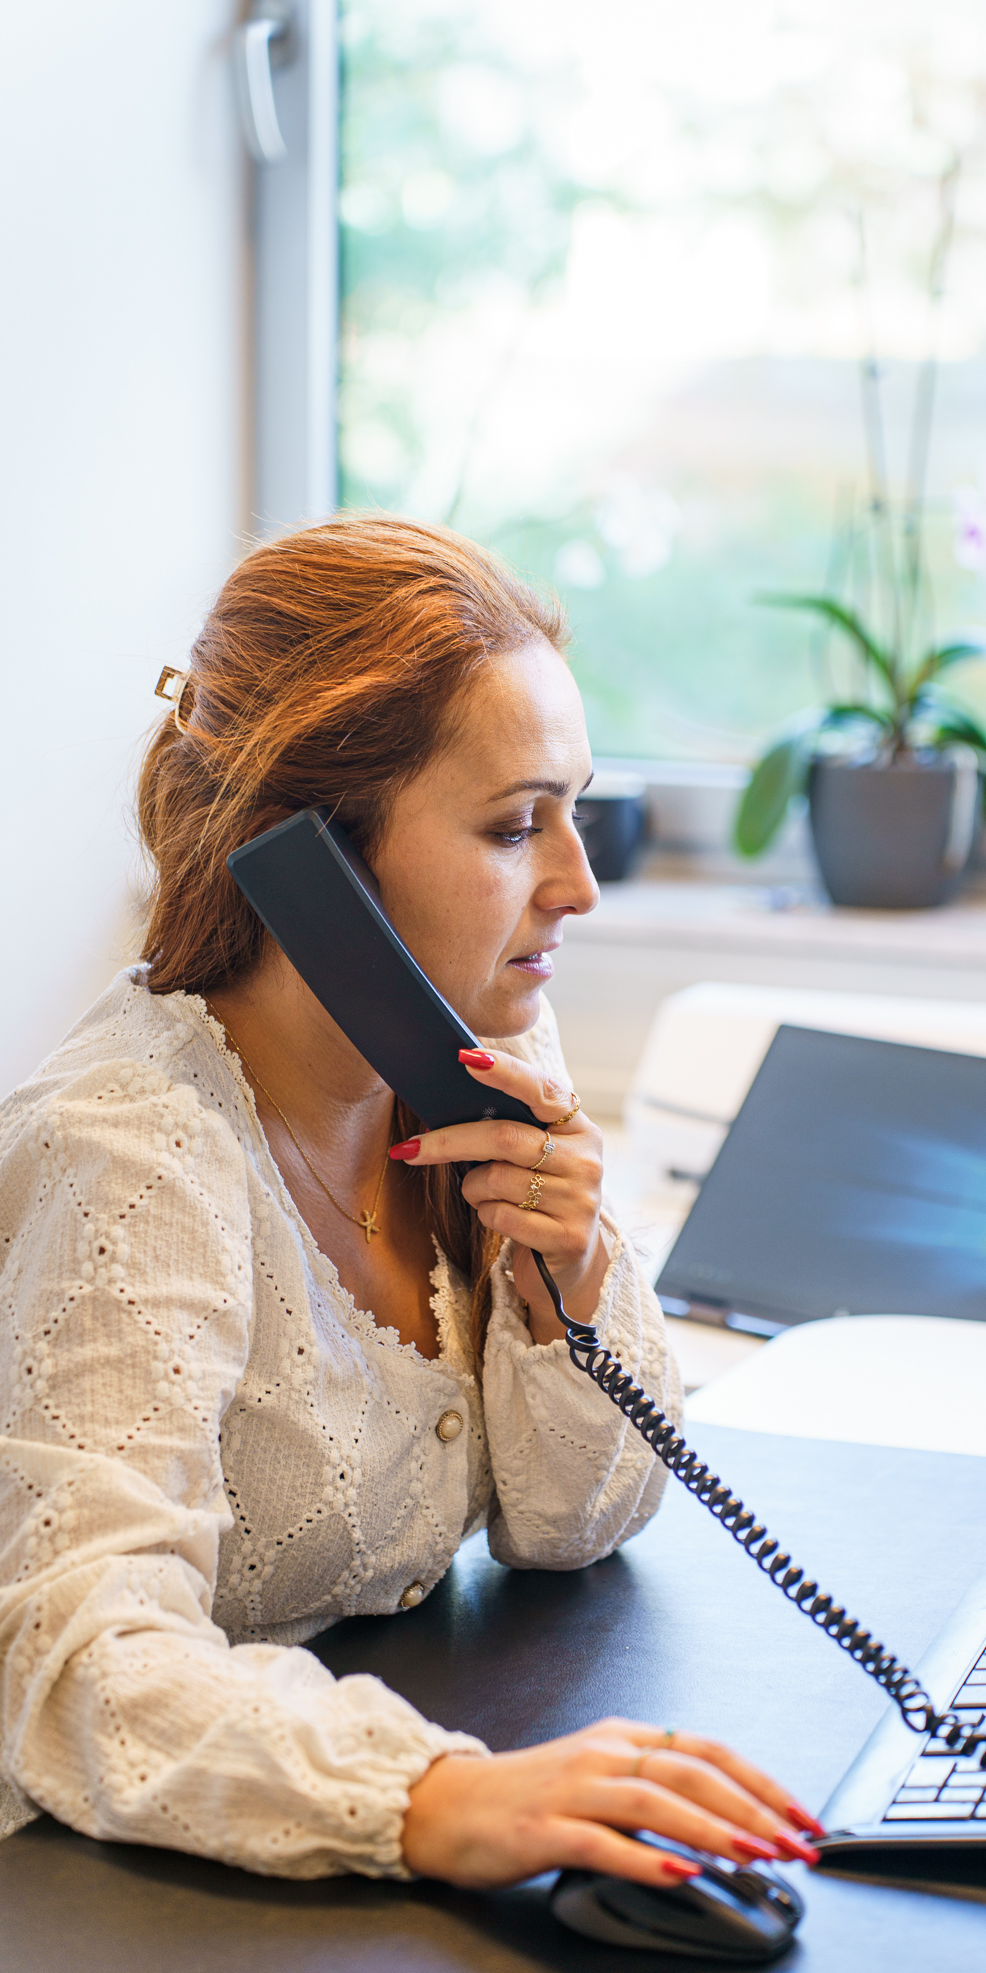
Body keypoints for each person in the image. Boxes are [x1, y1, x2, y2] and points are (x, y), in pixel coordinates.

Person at [0, 518, 823, 1888]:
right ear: (305, 860)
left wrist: (559, 1284)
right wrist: (431, 1798)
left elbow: (574, 1527)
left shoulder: (474, 1058)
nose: (577, 886)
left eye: (575, 810)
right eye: (514, 827)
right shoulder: (131, 1159)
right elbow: (77, 1658)